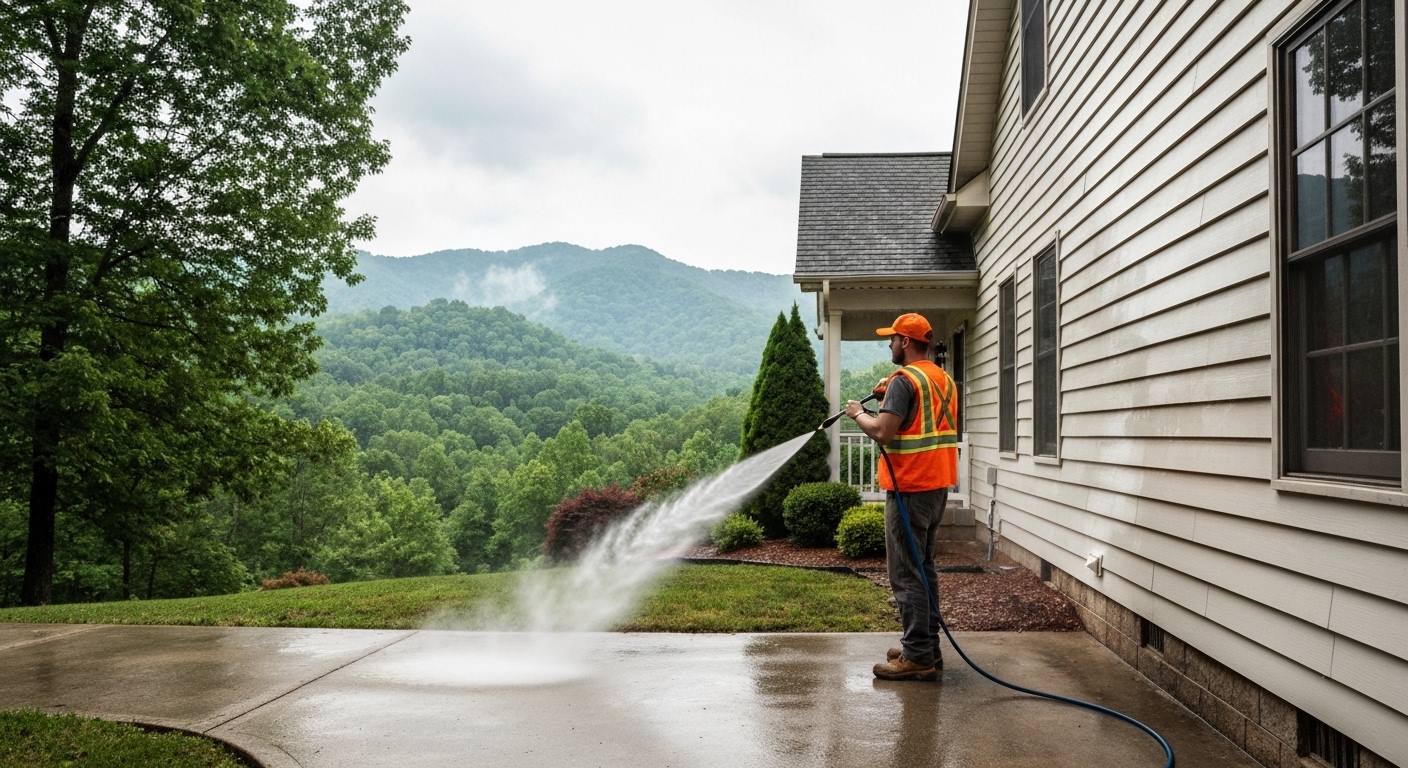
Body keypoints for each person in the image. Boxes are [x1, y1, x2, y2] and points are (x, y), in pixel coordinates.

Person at [844, 312, 959, 682]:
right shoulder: (942, 380)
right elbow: (914, 419)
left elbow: (882, 431)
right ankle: (927, 648)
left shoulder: (903, 380)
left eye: (892, 339)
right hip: (937, 486)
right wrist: (888, 398)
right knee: (924, 569)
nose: (889, 345)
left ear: (906, 342)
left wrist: (858, 413)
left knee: (906, 574)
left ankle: (917, 657)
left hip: (910, 488)